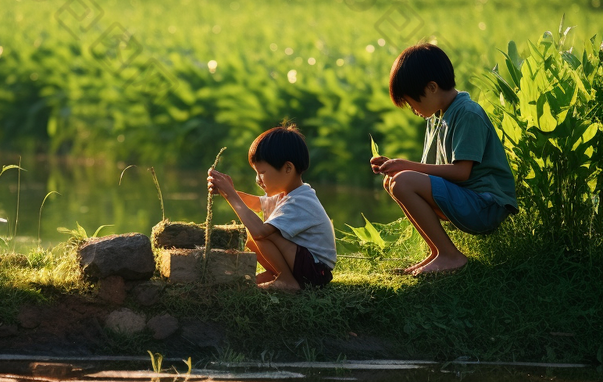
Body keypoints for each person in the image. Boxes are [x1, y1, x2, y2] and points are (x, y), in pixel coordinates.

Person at [371, 43, 517, 275]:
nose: (413, 109)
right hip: (465, 199)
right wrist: (396, 166)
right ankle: (438, 252)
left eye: (412, 102)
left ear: (431, 87)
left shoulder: (467, 113)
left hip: (486, 205)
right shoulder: (437, 117)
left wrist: (405, 166)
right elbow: (431, 174)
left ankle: (451, 256)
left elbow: (462, 172)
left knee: (404, 180)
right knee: (393, 180)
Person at [207, 124, 336, 291]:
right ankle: (277, 274)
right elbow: (256, 204)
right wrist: (226, 191)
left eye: (262, 172)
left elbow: (260, 231)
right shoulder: (287, 194)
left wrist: (231, 194)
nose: (258, 179)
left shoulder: (299, 201)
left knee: (261, 234)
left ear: (288, 168)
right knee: (254, 235)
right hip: (306, 266)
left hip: (316, 271)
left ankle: (288, 281)